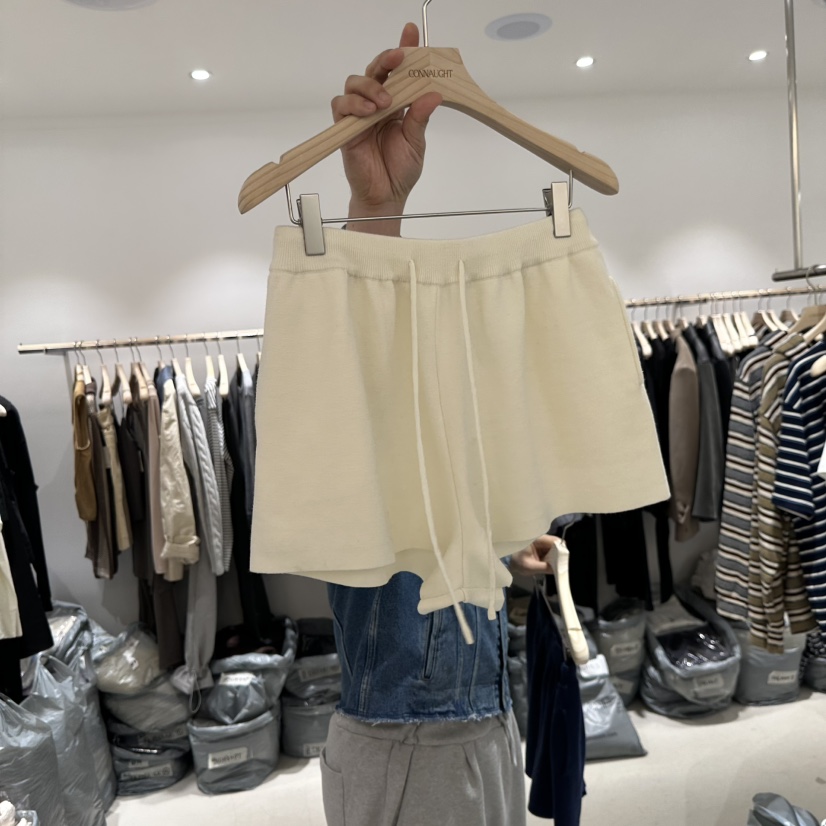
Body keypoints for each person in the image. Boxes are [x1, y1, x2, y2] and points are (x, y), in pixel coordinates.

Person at [320, 21, 562, 826]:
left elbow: (424, 518)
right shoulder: (360, 399)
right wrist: (373, 213)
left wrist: (498, 550)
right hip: (413, 739)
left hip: (468, 719)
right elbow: (366, 376)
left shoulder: (444, 410)